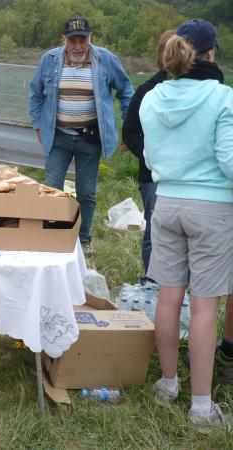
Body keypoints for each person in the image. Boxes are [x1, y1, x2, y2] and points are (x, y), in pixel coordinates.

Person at [140, 19, 233, 431]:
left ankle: (167, 385)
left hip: (168, 202)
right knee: (205, 306)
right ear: (210, 54)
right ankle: (200, 407)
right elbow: (229, 161)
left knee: (167, 297)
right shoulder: (222, 97)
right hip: (211, 206)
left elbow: (148, 155)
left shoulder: (151, 98)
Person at [29, 16, 133, 254]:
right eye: (72, 40)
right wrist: (37, 125)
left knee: (86, 191)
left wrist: (128, 126)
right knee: (52, 187)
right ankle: (51, 233)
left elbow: (126, 90)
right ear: (63, 40)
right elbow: (36, 94)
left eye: (82, 40)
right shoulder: (50, 59)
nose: (77, 46)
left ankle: (83, 238)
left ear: (90, 38)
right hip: (58, 136)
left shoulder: (105, 59)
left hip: (90, 137)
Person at [122, 30, 175, 274]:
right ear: (161, 57)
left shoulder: (197, 91)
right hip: (152, 175)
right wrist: (151, 155)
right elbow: (130, 131)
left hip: (185, 178)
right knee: (154, 232)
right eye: (168, 52)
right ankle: (152, 285)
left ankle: (179, 289)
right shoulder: (147, 90)